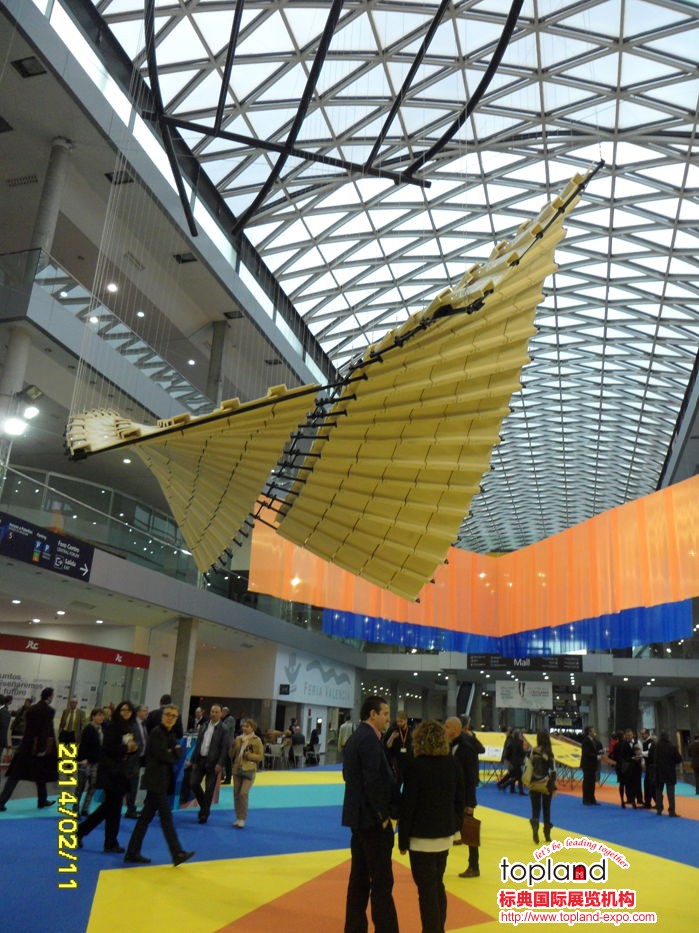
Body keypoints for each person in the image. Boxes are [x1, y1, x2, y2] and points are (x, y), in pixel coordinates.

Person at [399, 720, 465, 933]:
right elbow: (460, 800)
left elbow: (408, 805)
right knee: (437, 885)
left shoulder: (415, 766)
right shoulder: (453, 764)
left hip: (420, 838)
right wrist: (456, 826)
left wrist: (402, 839)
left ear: (419, 741)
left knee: (426, 890)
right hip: (444, 835)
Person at [341, 694, 399, 933]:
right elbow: (373, 781)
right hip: (373, 823)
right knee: (381, 882)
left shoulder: (356, 738)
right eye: (385, 713)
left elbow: (347, 775)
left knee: (359, 880)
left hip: (359, 820)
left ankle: (355, 927)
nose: (388, 719)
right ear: (373, 714)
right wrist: (383, 816)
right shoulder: (369, 740)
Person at [124, 704, 194, 865]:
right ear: (162, 716)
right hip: (156, 782)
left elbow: (178, 753)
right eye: (167, 714)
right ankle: (177, 852)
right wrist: (173, 752)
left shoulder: (169, 734)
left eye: (173, 716)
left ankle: (132, 852)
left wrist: (172, 752)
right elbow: (165, 755)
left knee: (145, 820)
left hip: (161, 782)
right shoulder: (157, 733)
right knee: (166, 819)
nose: (170, 718)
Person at [77, 700, 140, 853]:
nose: (126, 712)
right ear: (118, 711)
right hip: (111, 773)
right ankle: (105, 840)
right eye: (123, 710)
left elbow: (129, 750)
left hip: (120, 772)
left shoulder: (128, 728)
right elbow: (108, 749)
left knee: (111, 808)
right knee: (111, 808)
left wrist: (132, 749)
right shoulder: (113, 727)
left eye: (128, 710)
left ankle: (102, 839)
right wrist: (127, 748)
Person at [0, 686, 57, 811]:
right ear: (49, 696)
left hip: (25, 746)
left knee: (15, 776)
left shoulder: (31, 709)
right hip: (38, 748)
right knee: (40, 775)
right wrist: (42, 749)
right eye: (52, 695)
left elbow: (29, 729)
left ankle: (2, 801)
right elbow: (44, 731)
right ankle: (42, 801)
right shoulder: (49, 711)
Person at [445, 716, 484, 879]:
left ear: (455, 729)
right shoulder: (450, 745)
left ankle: (474, 866)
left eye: (447, 727)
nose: (444, 729)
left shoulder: (467, 747)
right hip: (453, 795)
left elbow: (471, 776)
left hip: (464, 797)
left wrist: (470, 803)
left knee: (469, 831)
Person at [187, 703, 228, 823]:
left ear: (220, 714)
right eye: (212, 712)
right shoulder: (204, 725)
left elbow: (224, 748)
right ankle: (205, 806)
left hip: (213, 762)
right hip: (200, 759)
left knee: (209, 789)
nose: (213, 714)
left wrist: (220, 763)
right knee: (193, 783)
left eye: (216, 712)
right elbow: (198, 744)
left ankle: (204, 814)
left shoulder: (224, 729)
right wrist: (193, 760)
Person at [230, 718, 264, 828]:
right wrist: (234, 745)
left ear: (252, 728)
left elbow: (260, 757)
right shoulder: (238, 739)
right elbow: (231, 755)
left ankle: (242, 818)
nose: (244, 728)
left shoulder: (257, 740)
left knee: (243, 793)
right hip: (237, 768)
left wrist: (249, 755)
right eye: (243, 726)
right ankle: (238, 817)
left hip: (249, 769)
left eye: (247, 726)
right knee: (236, 794)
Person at [527, 731, 556, 844]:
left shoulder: (532, 751)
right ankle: (547, 833)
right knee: (546, 808)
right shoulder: (549, 753)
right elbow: (553, 770)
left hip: (534, 782)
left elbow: (527, 766)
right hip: (546, 783)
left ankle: (535, 823)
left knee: (536, 807)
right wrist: (554, 786)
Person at [77, 706, 105, 816]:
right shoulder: (88, 728)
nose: (101, 717)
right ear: (93, 716)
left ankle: (85, 808)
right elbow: (83, 745)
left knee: (93, 786)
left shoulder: (101, 729)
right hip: (86, 762)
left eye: (102, 715)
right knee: (81, 786)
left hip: (96, 762)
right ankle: (75, 808)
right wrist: (83, 759)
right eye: (99, 715)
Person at [654, 732, 682, 817]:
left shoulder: (656, 746)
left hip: (659, 771)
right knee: (670, 793)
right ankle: (671, 811)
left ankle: (659, 809)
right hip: (670, 771)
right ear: (668, 737)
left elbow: (654, 758)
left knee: (658, 791)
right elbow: (678, 759)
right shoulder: (672, 746)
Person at [384, 709, 412, 788]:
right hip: (396, 761)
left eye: (401, 721)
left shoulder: (411, 731)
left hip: (408, 761)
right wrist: (392, 737)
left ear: (406, 720)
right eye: (398, 721)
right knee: (397, 782)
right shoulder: (393, 730)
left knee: (408, 782)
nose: (399, 723)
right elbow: (387, 746)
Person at [580, 726, 603, 805]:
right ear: (589, 732)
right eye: (593, 731)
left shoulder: (594, 740)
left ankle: (592, 799)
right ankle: (586, 799)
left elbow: (597, 749)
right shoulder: (586, 741)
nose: (594, 732)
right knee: (587, 782)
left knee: (592, 782)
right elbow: (586, 753)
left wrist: (601, 751)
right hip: (587, 764)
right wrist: (596, 756)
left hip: (593, 764)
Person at [499, 729, 526, 794]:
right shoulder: (520, 742)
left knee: (513, 775)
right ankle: (519, 790)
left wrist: (508, 759)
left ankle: (510, 788)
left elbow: (508, 752)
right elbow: (521, 752)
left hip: (512, 761)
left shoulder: (511, 742)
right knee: (519, 776)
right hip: (518, 762)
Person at [640, 729, 657, 809]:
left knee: (649, 785)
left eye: (643, 734)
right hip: (649, 767)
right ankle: (651, 803)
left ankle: (650, 803)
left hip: (651, 767)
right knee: (649, 785)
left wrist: (640, 753)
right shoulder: (646, 743)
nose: (642, 736)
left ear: (647, 734)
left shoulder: (651, 742)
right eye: (641, 734)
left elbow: (650, 754)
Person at [220, 706, 236, 783]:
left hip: (228, 743)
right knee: (223, 760)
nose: (221, 713)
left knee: (227, 761)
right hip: (224, 743)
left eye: (222, 712)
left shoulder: (230, 719)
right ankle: (222, 776)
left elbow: (225, 728)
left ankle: (228, 778)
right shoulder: (224, 719)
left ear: (225, 712)